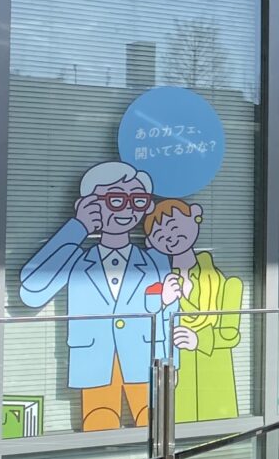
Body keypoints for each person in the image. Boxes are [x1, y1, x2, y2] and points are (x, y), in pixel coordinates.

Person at [19, 160, 180, 432]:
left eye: (138, 201)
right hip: (94, 358)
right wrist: (78, 227)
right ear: (88, 204)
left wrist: (172, 364)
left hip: (145, 358)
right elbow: (32, 291)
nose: (127, 210)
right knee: (98, 422)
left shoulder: (154, 260)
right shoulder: (76, 259)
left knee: (153, 424)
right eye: (116, 200)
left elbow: (170, 316)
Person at [145, 197, 241, 423]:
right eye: (160, 236)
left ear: (195, 216)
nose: (170, 238)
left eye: (175, 227)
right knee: (174, 422)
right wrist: (162, 301)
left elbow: (231, 334)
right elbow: (144, 329)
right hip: (176, 369)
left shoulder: (226, 283)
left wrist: (199, 339)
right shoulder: (157, 284)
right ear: (150, 242)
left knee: (218, 424)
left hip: (214, 369)